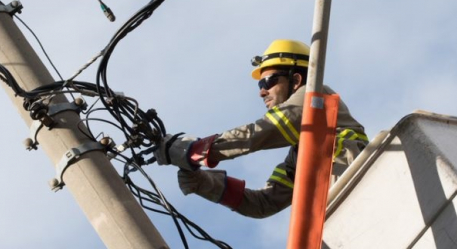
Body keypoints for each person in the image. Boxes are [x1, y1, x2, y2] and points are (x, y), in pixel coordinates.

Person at [156, 39, 368, 218]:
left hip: (361, 183)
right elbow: (263, 203)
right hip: (346, 215)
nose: (262, 92)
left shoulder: (315, 96)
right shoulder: (302, 155)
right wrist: (204, 183)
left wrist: (194, 151)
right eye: (260, 86)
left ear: (296, 80)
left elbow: (262, 132)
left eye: (268, 82)